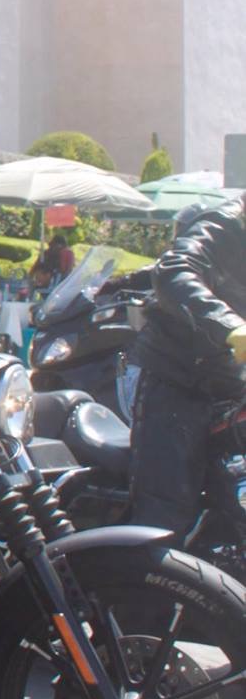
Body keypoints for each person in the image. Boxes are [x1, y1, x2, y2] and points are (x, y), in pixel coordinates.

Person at [128, 196, 246, 531]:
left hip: (230, 388)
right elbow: (175, 270)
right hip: (180, 383)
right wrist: (232, 326)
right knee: (165, 517)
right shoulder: (222, 224)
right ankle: (143, 580)